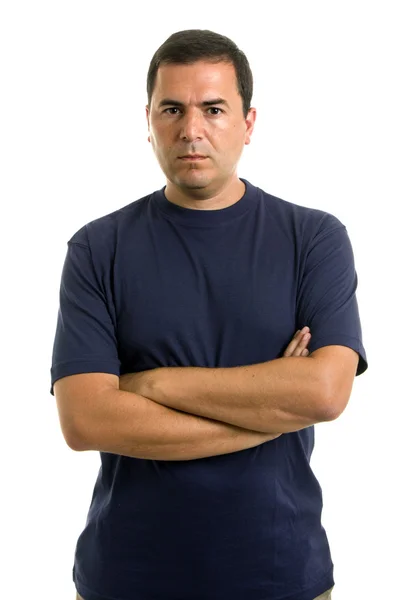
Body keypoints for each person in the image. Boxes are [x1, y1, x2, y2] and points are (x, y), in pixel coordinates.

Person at [50, 29, 368, 600]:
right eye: (172, 108)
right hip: (128, 577)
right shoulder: (98, 249)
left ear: (248, 123)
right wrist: (272, 408)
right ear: (147, 120)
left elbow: (323, 394)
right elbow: (86, 421)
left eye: (213, 109)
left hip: (280, 576)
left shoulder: (313, 239)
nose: (191, 129)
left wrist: (151, 385)